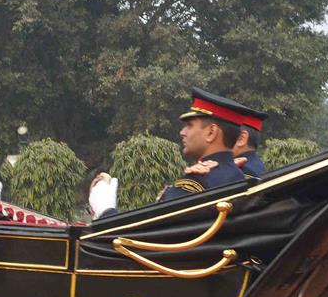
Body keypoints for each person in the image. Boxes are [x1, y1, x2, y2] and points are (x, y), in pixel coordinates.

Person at [88, 88, 262, 218]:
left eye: (190, 125)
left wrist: (105, 209)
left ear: (211, 132)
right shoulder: (235, 175)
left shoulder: (197, 183)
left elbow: (144, 238)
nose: (182, 132)